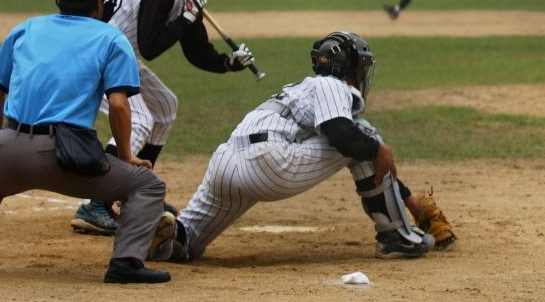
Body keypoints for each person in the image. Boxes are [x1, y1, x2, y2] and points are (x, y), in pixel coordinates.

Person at [0, 0, 176, 284]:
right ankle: (126, 263)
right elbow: (118, 105)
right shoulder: (111, 38)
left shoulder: (26, 29)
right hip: (65, 156)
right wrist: (126, 154)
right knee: (147, 185)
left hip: (8, 145)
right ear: (103, 4)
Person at [154, 31, 455, 263]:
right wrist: (381, 152)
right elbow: (341, 133)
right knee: (364, 136)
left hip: (226, 163)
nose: (362, 74)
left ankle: (161, 233)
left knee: (187, 242)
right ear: (349, 66)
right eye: (360, 66)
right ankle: (395, 236)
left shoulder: (297, 89)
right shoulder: (331, 85)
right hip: (270, 163)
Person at [70, 0, 257, 236]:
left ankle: (136, 194)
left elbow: (196, 52)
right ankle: (96, 203)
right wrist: (185, 17)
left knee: (165, 105)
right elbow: (151, 46)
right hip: (96, 57)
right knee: (140, 120)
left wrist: (229, 63)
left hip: (121, 58)